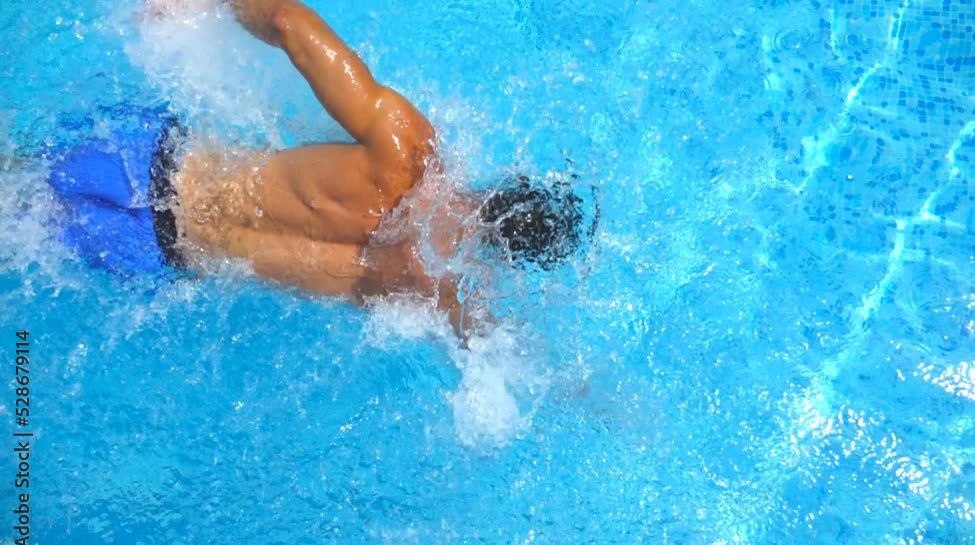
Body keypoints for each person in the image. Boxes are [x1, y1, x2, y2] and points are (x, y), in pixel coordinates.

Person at [48, 0, 587, 335]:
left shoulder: (407, 151)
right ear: (507, 262)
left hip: (152, 163)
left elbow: (288, 23)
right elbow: (495, 353)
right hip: (158, 251)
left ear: (505, 185)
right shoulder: (427, 288)